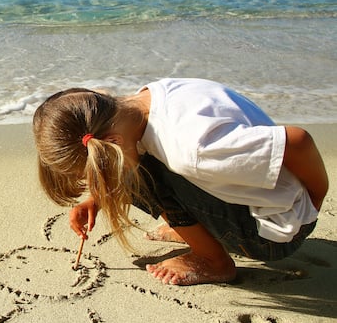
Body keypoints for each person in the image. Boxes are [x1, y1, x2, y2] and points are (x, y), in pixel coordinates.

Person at [33, 78, 328, 286]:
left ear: (111, 141)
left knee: (143, 176)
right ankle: (197, 229)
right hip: (255, 199)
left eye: (96, 174)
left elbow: (297, 141)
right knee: (133, 165)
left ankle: (213, 262)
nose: (99, 183)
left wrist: (314, 199)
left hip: (270, 234)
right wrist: (96, 200)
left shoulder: (193, 148)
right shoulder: (145, 101)